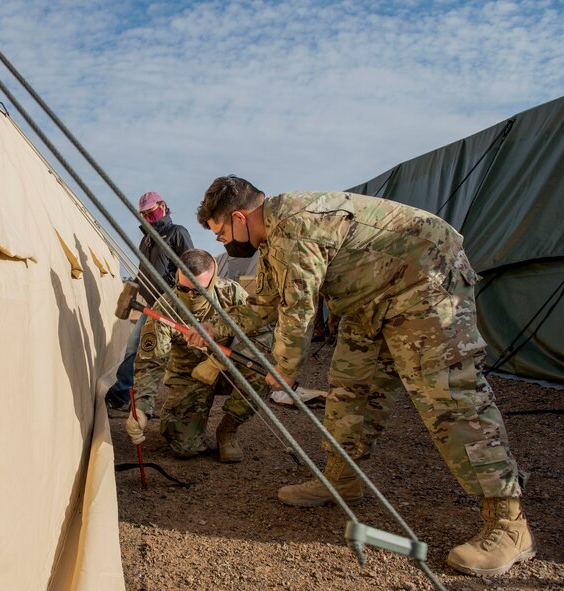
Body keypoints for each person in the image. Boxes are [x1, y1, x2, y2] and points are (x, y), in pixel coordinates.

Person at [188, 175, 534, 576]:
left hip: (424, 281)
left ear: (239, 216)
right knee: (351, 391)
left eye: (221, 233)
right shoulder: (274, 240)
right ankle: (341, 480)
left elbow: (296, 314)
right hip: (371, 300)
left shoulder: (294, 227)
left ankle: (510, 524)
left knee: (451, 400)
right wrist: (216, 329)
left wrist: (282, 370)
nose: (223, 243)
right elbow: (266, 301)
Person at [125, 249, 274, 463]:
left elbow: (262, 333)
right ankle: (187, 420)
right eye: (184, 289)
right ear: (177, 277)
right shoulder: (164, 308)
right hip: (189, 378)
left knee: (261, 375)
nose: (191, 295)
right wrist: (141, 407)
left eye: (199, 291)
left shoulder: (231, 294)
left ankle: (227, 431)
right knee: (184, 448)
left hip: (228, 371)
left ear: (212, 281)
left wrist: (217, 362)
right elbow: (150, 363)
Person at [105, 192, 193, 410]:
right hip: (151, 303)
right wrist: (132, 290)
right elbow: (143, 271)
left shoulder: (176, 233)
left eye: (150, 212)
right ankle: (125, 396)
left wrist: (184, 298)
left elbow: (191, 266)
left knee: (147, 348)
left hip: (170, 302)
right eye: (143, 214)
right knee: (138, 347)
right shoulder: (146, 240)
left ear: (163, 206)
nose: (147, 217)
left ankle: (125, 396)